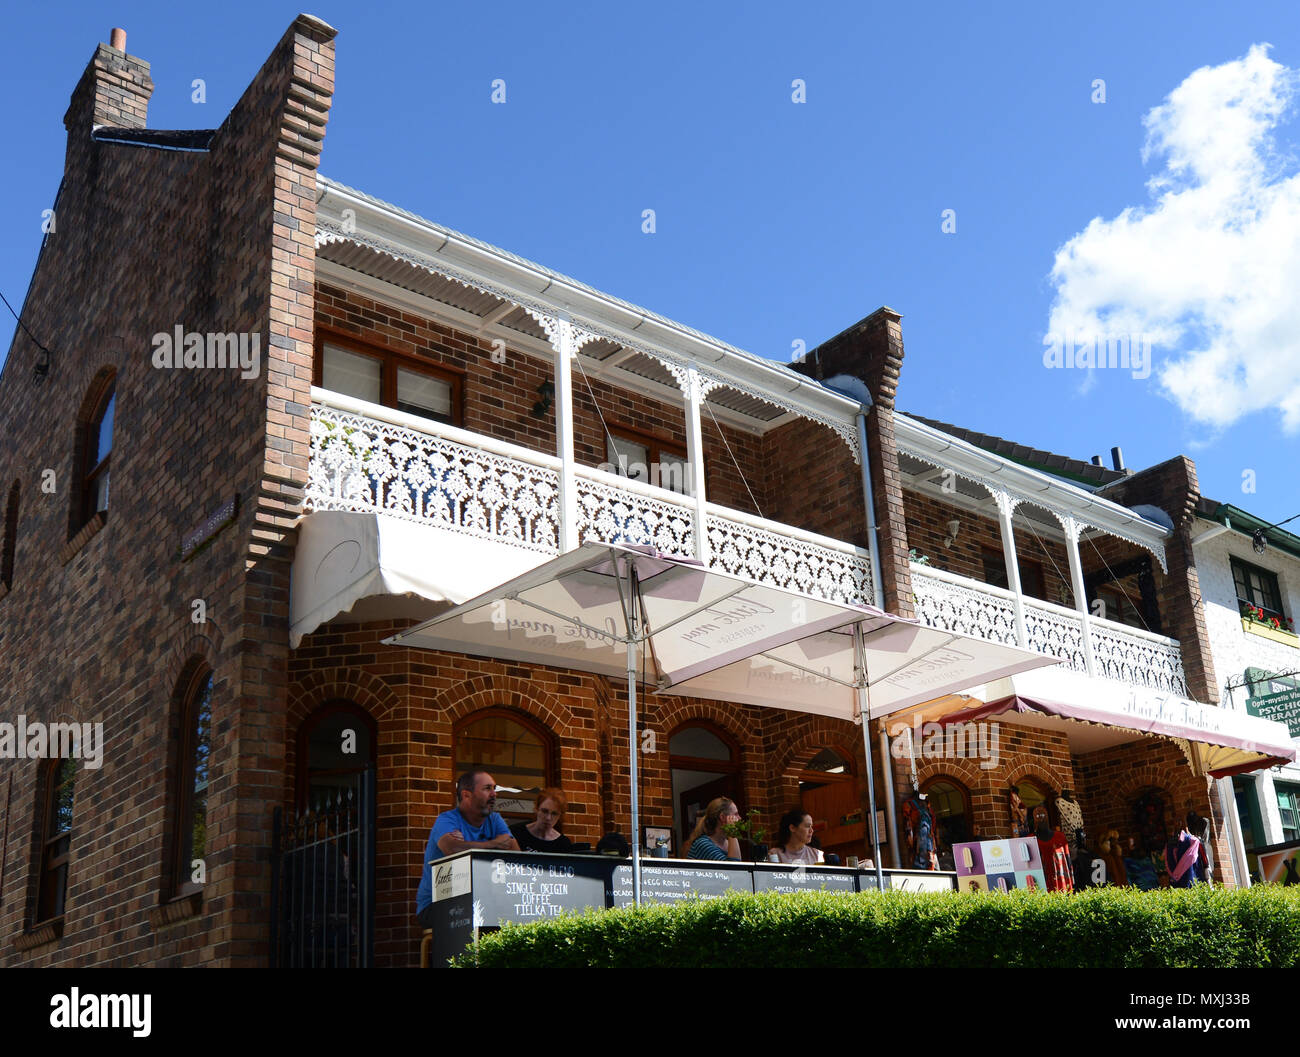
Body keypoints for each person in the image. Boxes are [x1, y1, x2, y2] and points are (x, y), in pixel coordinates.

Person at [415, 768, 519, 927]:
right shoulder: (446, 820)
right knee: (482, 914)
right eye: (487, 788)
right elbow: (454, 850)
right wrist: (495, 844)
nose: (494, 794)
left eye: (494, 788)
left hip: (480, 899)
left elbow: (515, 852)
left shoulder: (494, 819)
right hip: (437, 903)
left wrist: (467, 846)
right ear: (466, 795)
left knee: (514, 911)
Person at [510, 787, 574, 854]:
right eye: (544, 811)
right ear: (536, 809)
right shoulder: (517, 833)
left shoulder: (563, 844)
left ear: (560, 816)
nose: (548, 818)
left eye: (554, 814)